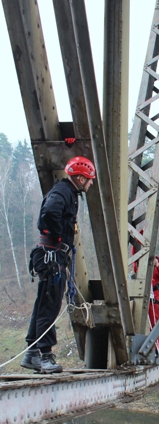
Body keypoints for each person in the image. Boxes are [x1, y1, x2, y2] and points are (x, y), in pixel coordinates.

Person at [22, 156, 95, 373]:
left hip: (51, 256)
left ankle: (32, 353)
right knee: (49, 306)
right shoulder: (63, 192)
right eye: (90, 179)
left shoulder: (67, 192)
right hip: (51, 257)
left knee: (43, 304)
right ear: (80, 179)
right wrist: (58, 239)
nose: (91, 183)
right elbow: (49, 214)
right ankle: (45, 356)